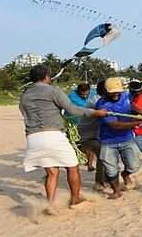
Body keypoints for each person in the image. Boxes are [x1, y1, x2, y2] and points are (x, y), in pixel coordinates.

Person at [19, 65, 107, 214]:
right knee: (72, 166)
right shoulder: (53, 90)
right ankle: (75, 199)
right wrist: (95, 112)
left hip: (33, 137)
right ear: (47, 77)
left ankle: (51, 203)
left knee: (52, 172)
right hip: (53, 134)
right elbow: (72, 109)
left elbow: (24, 113)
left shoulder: (25, 95)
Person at [95, 77, 142, 199]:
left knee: (134, 166)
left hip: (127, 139)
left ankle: (125, 174)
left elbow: (131, 105)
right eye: (113, 92)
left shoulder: (126, 96)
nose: (116, 94)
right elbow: (115, 125)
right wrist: (136, 123)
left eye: (118, 91)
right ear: (106, 91)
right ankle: (116, 191)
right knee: (111, 170)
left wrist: (140, 113)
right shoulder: (101, 105)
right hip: (108, 141)